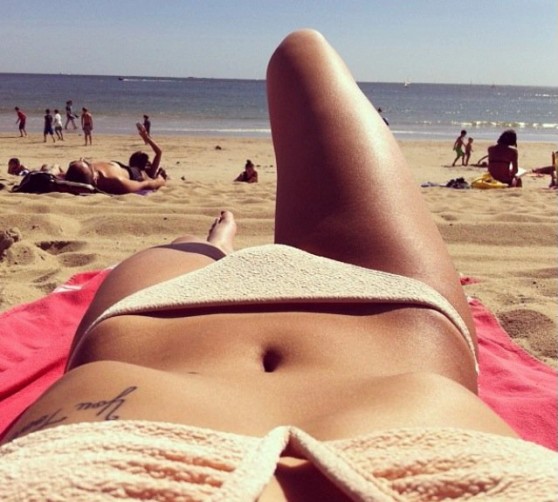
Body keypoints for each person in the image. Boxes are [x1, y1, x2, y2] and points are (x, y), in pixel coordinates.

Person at [0, 30, 555, 500]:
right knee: (302, 53)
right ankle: (217, 248)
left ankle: (218, 246)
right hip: (391, 325)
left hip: (158, 330)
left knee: (191, 243)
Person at [63, 125, 166, 195]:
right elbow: (146, 184)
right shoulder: (118, 179)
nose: (149, 163)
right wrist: (160, 179)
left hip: (124, 172)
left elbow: (145, 184)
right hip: (129, 173)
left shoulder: (141, 175)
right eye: (148, 162)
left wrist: (159, 179)